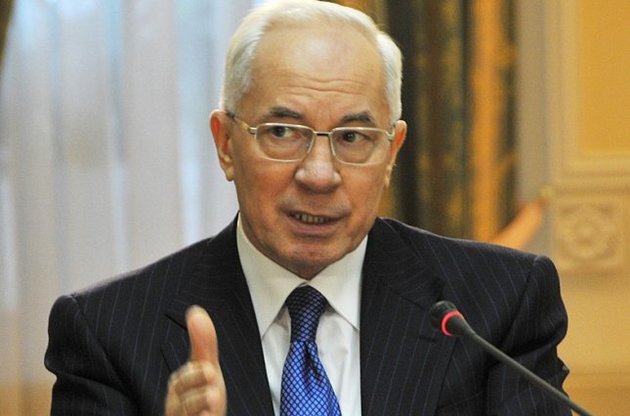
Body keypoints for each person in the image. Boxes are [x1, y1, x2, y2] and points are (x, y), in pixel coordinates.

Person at [45, 1, 572, 415]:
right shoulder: (109, 334)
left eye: (353, 137)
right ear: (225, 144)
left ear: (392, 152)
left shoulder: (499, 305)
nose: (319, 175)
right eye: (282, 132)